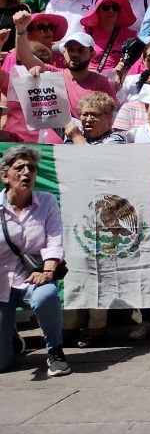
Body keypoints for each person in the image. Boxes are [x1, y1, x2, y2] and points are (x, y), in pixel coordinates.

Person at [0, 147, 70, 376]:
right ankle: (12, 340)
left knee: (47, 294)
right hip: (1, 282)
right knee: (3, 364)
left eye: (31, 168)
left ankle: (55, 352)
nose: (26, 172)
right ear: (5, 176)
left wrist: (48, 271)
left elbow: (55, 240)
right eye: (19, 168)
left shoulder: (47, 201)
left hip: (34, 278)